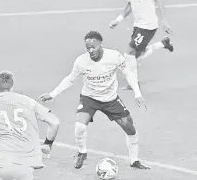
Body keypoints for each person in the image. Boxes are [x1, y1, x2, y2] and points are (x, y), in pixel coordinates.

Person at [39, 31, 151, 170]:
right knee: (80, 125)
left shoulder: (114, 56)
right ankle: (82, 152)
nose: (91, 50)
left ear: (100, 44)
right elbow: (70, 79)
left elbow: (128, 73)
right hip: (89, 98)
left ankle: (134, 160)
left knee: (130, 127)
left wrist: (137, 94)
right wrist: (53, 94)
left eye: (94, 47)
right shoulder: (81, 61)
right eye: (88, 47)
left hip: (111, 99)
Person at [109, 0, 174, 90]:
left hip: (148, 26)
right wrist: (118, 20)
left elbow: (159, 0)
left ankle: (134, 83)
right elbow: (129, 5)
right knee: (136, 55)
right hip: (138, 25)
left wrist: (164, 21)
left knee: (129, 53)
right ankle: (162, 44)